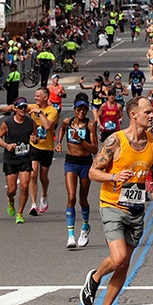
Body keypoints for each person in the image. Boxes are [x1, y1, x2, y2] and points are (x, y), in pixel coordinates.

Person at [79, 96, 153, 305]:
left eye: (151, 112)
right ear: (133, 114)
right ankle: (95, 278)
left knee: (124, 264)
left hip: (136, 208)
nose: (152, 115)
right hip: (112, 205)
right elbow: (93, 172)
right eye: (147, 112)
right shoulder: (115, 141)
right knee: (117, 258)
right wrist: (114, 177)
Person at [58, 97, 98, 248]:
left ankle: (85, 226)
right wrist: (59, 142)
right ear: (74, 109)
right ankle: (70, 236)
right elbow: (61, 129)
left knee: (82, 199)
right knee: (71, 197)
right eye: (78, 109)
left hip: (85, 163)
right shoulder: (67, 122)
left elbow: (94, 149)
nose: (81, 112)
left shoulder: (90, 125)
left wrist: (80, 140)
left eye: (84, 109)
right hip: (70, 162)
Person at [0, 97, 35, 223]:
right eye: (21, 107)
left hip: (25, 158)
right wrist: (7, 146)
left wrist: (35, 139)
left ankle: (20, 213)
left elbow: (36, 137)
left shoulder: (31, 122)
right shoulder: (8, 123)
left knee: (24, 186)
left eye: (25, 107)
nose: (23, 109)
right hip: (11, 158)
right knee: (12, 190)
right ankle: (11, 200)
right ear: (15, 109)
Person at [27, 87, 60, 216]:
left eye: (38, 96)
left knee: (43, 177)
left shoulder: (52, 111)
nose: (35, 98)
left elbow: (47, 126)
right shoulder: (32, 107)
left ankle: (44, 194)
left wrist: (39, 113)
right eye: (35, 96)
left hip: (47, 147)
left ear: (45, 97)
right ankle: (33, 204)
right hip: (34, 146)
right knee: (33, 174)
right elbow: (15, 107)